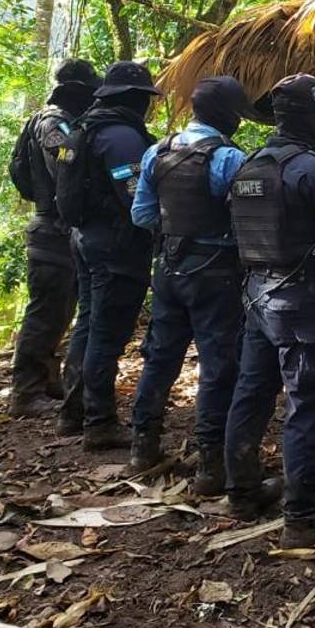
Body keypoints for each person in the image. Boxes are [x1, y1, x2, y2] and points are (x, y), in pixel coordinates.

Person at [223, 74, 315, 547]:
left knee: (251, 392)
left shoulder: (249, 166)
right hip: (303, 304)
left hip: (257, 298)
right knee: (308, 406)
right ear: (314, 118)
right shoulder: (314, 171)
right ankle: (303, 518)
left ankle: (242, 491)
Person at [125, 76, 250, 493]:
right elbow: (248, 221)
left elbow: (141, 215)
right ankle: (210, 466)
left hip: (169, 269)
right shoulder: (229, 158)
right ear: (229, 115)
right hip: (215, 274)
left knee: (160, 357)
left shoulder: (156, 151)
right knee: (217, 366)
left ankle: (143, 447)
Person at [55, 61, 159, 450]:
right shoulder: (121, 138)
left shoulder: (84, 128)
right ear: (133, 99)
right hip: (114, 247)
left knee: (89, 324)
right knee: (106, 333)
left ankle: (73, 413)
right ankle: (99, 421)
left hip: (84, 238)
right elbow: (136, 199)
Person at [7, 59, 102, 417]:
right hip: (52, 231)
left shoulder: (57, 120)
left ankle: (46, 381)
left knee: (61, 310)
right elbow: (65, 169)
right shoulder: (53, 123)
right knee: (46, 313)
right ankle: (26, 392)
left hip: (59, 230)